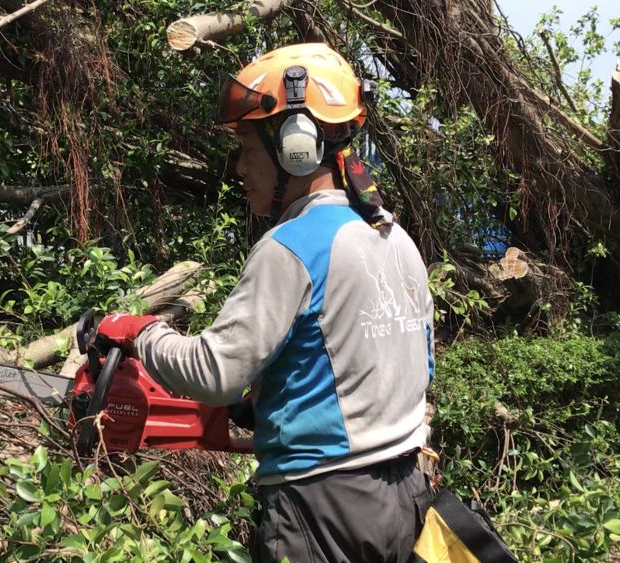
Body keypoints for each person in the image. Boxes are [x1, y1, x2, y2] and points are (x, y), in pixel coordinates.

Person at [96, 43, 435, 563]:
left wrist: (140, 332)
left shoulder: (291, 246)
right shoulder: (395, 238)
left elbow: (214, 375)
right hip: (406, 498)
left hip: (321, 510)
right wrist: (269, 404)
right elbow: (399, 366)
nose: (237, 169)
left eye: (245, 149)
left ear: (293, 148)